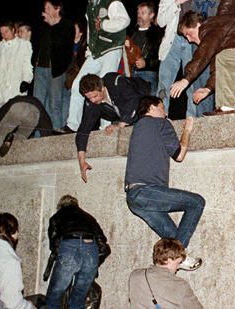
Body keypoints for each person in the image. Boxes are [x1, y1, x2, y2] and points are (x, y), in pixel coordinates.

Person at [125, 96, 203, 271]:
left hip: (133, 197)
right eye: (162, 107)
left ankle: (177, 260)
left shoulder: (138, 127)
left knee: (173, 237)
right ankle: (179, 258)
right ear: (152, 107)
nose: (166, 112)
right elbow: (179, 155)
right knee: (197, 202)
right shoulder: (161, 123)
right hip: (147, 191)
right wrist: (187, 130)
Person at [66, 0, 130, 131]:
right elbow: (90, 31)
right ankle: (72, 125)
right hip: (95, 53)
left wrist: (103, 24)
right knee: (77, 85)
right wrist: (89, 50)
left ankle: (105, 126)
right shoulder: (89, 6)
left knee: (103, 86)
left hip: (111, 49)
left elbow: (124, 20)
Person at [170, 11, 235, 115]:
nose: (189, 40)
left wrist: (186, 79)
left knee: (223, 59)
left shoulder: (209, 27)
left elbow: (203, 54)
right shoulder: (216, 36)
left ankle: (226, 107)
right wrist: (207, 89)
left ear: (197, 25)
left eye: (189, 34)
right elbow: (220, 70)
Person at [75, 73, 150, 183]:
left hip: (145, 96)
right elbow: (83, 129)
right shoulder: (92, 102)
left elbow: (133, 101)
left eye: (94, 96)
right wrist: (82, 161)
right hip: (124, 112)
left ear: (102, 88)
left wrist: (119, 125)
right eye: (88, 98)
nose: (92, 100)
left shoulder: (115, 81)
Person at [45, 195, 110, 309]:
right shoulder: (89, 217)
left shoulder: (56, 217)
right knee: (79, 298)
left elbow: (54, 245)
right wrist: (94, 263)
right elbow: (103, 245)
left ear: (60, 206)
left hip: (69, 247)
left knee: (54, 295)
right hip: (91, 250)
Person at [0, 96, 52, 188]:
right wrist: (47, 140)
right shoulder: (38, 104)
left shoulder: (14, 101)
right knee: (21, 137)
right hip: (35, 113)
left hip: (18, 108)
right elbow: (47, 125)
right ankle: (13, 138)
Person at [156, 0, 196, 116]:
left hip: (190, 41)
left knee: (191, 81)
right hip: (172, 41)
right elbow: (160, 22)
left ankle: (192, 119)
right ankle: (160, 118)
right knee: (164, 83)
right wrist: (176, 3)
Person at [34, 0, 75, 129]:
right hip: (40, 68)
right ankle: (39, 136)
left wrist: (54, 26)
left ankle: (55, 135)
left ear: (57, 9)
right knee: (38, 104)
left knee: (54, 106)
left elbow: (64, 46)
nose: (45, 11)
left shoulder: (67, 25)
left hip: (55, 71)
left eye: (49, 8)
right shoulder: (44, 26)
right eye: (45, 8)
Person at [128, 238, 203, 309]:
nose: (178, 267)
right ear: (168, 260)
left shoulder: (135, 275)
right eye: (178, 263)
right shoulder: (180, 285)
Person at [0, 21, 34, 114]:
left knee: (14, 118)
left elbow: (27, 65)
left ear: (13, 30)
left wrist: (26, 80)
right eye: (2, 33)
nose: (4, 35)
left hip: (15, 89)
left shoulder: (23, 45)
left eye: (6, 31)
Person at [127, 1, 163, 95]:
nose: (139, 15)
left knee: (148, 104)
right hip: (129, 72)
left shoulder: (157, 34)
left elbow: (161, 56)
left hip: (147, 73)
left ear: (151, 15)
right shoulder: (130, 33)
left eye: (143, 12)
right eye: (138, 12)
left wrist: (146, 63)